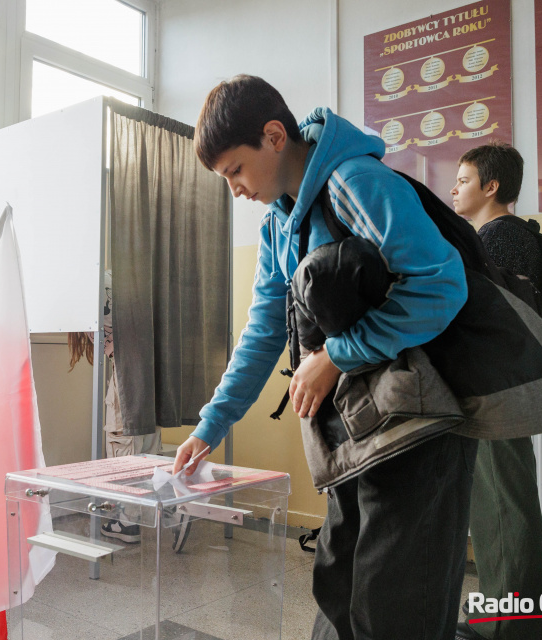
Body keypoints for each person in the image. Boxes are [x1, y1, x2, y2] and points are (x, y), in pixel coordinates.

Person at [173, 74, 476, 640]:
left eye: (235, 170)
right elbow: (264, 331)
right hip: (353, 433)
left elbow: (441, 286)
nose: (234, 189)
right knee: (339, 587)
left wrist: (336, 355)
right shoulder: (276, 225)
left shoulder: (356, 181)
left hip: (415, 427)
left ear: (273, 136)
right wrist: (211, 424)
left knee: (396, 604)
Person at [451, 142, 542, 640]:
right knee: (500, 502)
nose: (454, 188)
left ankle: (509, 627)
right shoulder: (506, 237)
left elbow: (491, 321)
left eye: (464, 180)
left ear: (492, 187)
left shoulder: (498, 238)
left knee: (503, 504)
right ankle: (506, 618)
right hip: (506, 387)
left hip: (499, 390)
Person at [68, 270, 161, 544]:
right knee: (146, 446)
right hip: (153, 369)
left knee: (123, 444)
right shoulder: (116, 274)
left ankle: (128, 523)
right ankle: (152, 513)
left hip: (128, 371)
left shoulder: (82, 288)